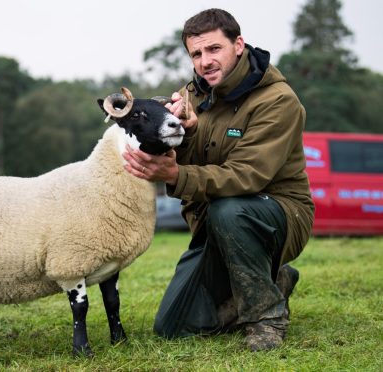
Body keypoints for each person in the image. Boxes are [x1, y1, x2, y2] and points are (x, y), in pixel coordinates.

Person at [123, 8, 314, 351]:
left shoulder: (278, 101)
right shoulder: (192, 95)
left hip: (279, 215)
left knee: (230, 209)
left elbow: (246, 176)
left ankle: (265, 318)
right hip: (213, 222)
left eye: (214, 49)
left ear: (238, 45)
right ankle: (275, 280)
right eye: (196, 53)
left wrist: (176, 175)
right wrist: (186, 134)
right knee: (174, 327)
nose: (205, 61)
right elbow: (187, 156)